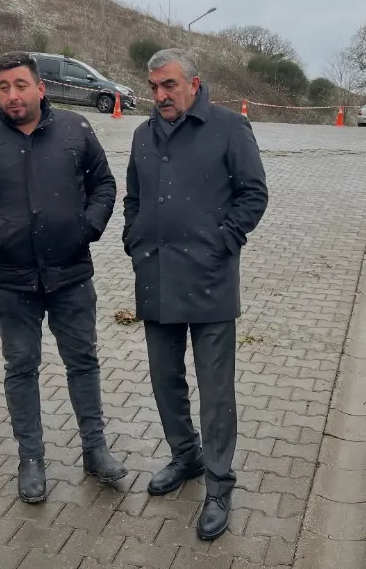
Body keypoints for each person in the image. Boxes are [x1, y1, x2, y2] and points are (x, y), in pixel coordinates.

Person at [0, 50, 128, 504]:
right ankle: (31, 459)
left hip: (71, 273)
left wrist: (88, 227)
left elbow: (104, 185)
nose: (12, 95)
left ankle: (95, 449)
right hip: (11, 279)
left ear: (40, 89)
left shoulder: (76, 130)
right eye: (3, 87)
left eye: (21, 85)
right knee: (21, 367)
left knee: (83, 361)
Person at [123, 48, 268, 541]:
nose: (161, 95)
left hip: (210, 278)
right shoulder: (143, 134)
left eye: (169, 85)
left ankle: (219, 484)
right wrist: (134, 237)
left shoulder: (228, 127)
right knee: (165, 379)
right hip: (156, 275)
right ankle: (186, 456)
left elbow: (254, 194)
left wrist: (223, 242)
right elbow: (134, 196)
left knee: (215, 389)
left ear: (194, 84)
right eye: (154, 87)